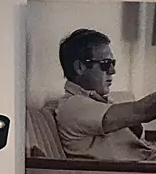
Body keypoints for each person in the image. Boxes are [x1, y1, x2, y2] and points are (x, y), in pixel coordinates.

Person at [54, 28, 156, 161]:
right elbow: (142, 111)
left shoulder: (98, 102)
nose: (112, 71)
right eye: (106, 64)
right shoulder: (73, 106)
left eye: (112, 63)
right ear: (80, 67)